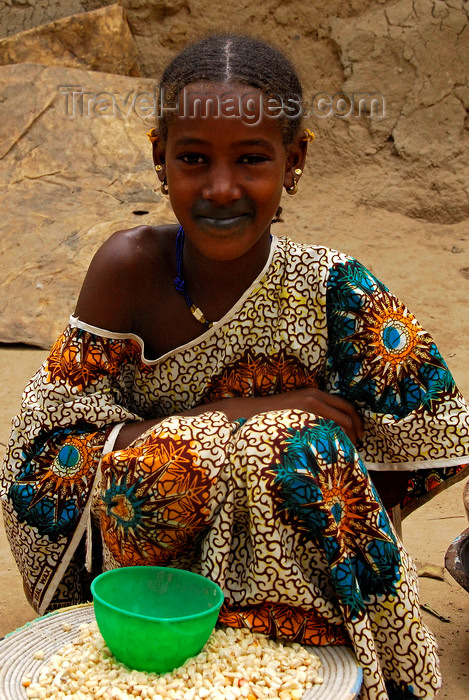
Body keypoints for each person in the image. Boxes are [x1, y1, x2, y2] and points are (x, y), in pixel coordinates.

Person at [1, 34, 468, 700]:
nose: (222, 188)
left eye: (251, 159)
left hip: (296, 599)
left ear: (293, 160)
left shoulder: (331, 288)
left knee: (299, 448)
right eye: (193, 159)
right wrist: (231, 419)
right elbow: (46, 460)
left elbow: (432, 436)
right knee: (255, 438)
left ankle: (314, 653)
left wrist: (324, 507)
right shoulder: (128, 269)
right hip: (155, 580)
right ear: (160, 159)